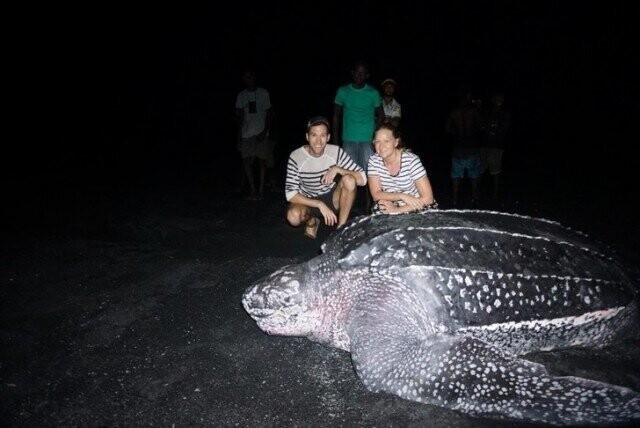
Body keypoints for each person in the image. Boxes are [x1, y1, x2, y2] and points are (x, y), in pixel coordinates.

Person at [285, 116, 367, 238]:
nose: (318, 141)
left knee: (349, 179)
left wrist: (338, 169)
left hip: (332, 198)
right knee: (293, 216)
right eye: (314, 135)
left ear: (328, 137)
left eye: (322, 135)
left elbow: (363, 178)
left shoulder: (336, 152)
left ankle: (341, 230)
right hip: (308, 199)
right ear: (307, 137)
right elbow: (290, 194)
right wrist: (319, 204)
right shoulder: (296, 156)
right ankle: (311, 221)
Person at [332, 60, 384, 212]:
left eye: (363, 73)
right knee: (346, 174)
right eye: (357, 72)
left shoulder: (373, 93)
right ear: (352, 73)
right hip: (348, 139)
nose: (359, 76)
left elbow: (381, 115)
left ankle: (371, 205)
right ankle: (346, 205)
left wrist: (375, 135)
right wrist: (335, 142)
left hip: (368, 140)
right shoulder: (343, 91)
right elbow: (336, 116)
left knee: (371, 173)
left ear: (367, 75)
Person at [367, 121, 436, 214]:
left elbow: (428, 198)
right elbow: (376, 194)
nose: (381, 146)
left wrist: (397, 210)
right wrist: (402, 196)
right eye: (377, 141)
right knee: (379, 207)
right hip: (393, 202)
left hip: (416, 204)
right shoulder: (373, 161)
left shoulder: (411, 160)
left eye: (386, 141)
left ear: (396, 142)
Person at [235, 68, 273, 200]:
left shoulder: (263, 93)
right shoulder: (241, 96)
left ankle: (261, 191)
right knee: (246, 162)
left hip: (260, 132)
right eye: (246, 77)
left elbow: (269, 114)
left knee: (262, 161)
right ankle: (253, 190)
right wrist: (239, 137)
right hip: (246, 133)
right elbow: (239, 118)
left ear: (254, 77)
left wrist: (265, 131)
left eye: (250, 76)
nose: (248, 79)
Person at [445, 90, 482, 207]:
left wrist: (456, 134)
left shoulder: (454, 113)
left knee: (456, 175)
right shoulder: (473, 111)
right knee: (474, 174)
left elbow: (447, 129)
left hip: (458, 147)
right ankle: (474, 197)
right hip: (471, 146)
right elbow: (480, 126)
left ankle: (455, 199)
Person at [480, 90, 511, 202]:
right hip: (485, 145)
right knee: (481, 169)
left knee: (496, 171)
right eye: (497, 98)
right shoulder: (488, 112)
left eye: (501, 99)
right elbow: (482, 126)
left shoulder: (505, 114)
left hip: (497, 146)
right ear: (493, 100)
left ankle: (495, 194)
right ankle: (479, 192)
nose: (500, 101)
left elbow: (504, 128)